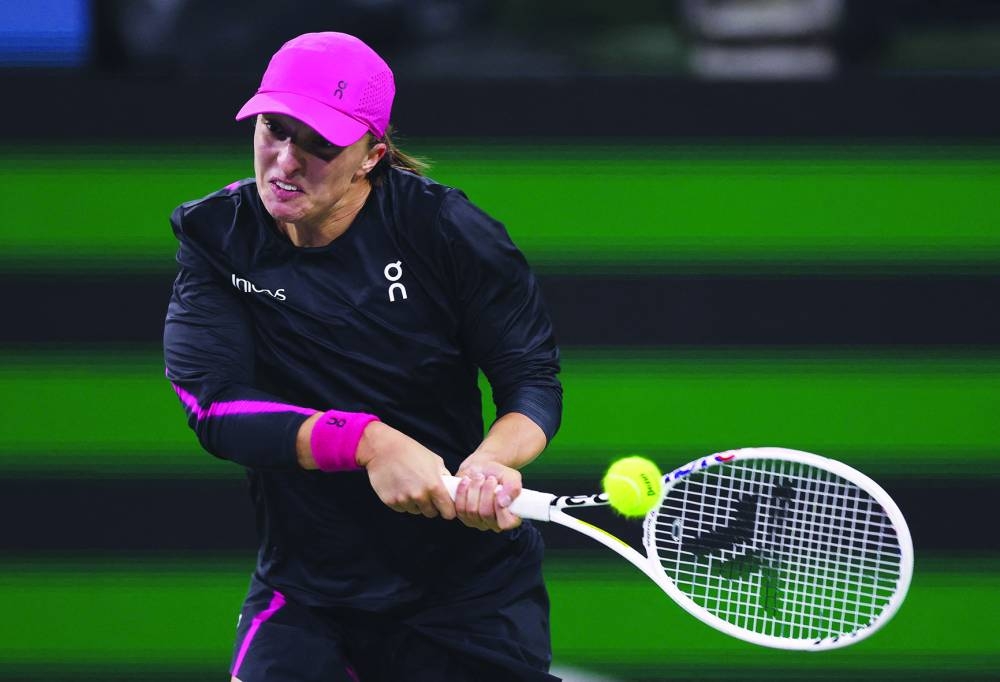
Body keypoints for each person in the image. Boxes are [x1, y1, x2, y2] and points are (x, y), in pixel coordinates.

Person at [163, 32, 562, 682]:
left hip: (467, 598)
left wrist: (490, 462)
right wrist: (368, 442)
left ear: (373, 155)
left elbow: (532, 381)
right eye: (274, 130)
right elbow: (214, 406)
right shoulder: (217, 237)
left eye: (319, 143)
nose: (285, 162)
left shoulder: (446, 231)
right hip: (307, 595)